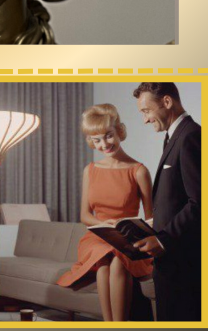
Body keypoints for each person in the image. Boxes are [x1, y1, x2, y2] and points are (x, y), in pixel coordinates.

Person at [57, 103, 153, 322]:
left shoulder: (138, 171)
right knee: (104, 261)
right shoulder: (90, 171)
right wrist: (106, 225)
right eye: (97, 139)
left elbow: (150, 217)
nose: (104, 144)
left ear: (119, 131)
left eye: (108, 136)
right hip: (97, 237)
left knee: (116, 262)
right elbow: (85, 216)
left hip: (128, 238)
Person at [133, 81, 201, 323]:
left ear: (167, 101)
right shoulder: (174, 136)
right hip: (171, 257)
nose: (145, 120)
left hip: (183, 259)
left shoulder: (191, 136)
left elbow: (199, 201)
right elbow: (177, 198)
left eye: (146, 111)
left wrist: (163, 238)